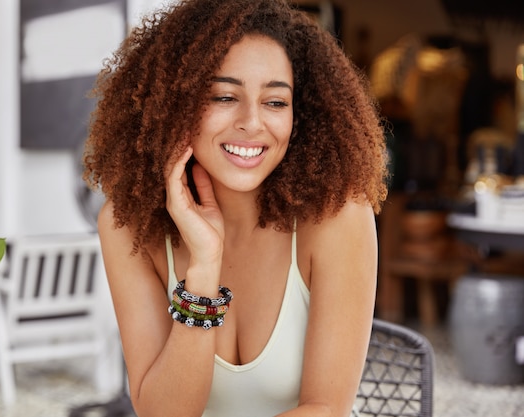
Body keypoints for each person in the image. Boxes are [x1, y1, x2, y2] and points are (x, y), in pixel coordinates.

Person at [83, 0, 388, 415]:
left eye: (276, 102)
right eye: (224, 96)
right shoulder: (127, 228)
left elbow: (326, 409)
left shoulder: (338, 217)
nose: (252, 122)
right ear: (174, 104)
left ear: (302, 116)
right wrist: (204, 268)